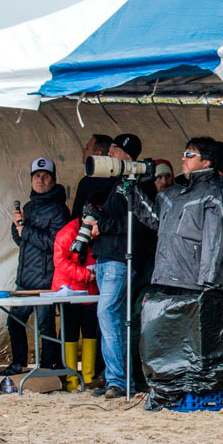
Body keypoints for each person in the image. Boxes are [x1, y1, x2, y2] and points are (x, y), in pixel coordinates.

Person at [131, 137, 223, 407]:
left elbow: (216, 240)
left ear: (206, 161)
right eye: (183, 153)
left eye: (190, 154)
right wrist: (130, 192)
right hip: (166, 276)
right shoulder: (172, 194)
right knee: (165, 342)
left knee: (195, 346)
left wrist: (209, 283)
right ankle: (169, 394)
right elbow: (154, 221)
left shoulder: (217, 193)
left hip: (195, 282)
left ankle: (196, 396)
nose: (183, 158)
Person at [91, 133, 156, 398]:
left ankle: (118, 380)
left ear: (127, 155)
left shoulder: (136, 184)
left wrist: (102, 226)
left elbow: (139, 223)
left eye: (114, 149)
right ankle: (117, 379)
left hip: (121, 258)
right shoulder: (113, 183)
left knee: (108, 314)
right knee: (113, 318)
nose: (110, 153)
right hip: (105, 257)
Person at [9, 157, 70, 371]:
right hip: (25, 279)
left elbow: (56, 244)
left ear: (53, 180)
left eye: (45, 176)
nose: (40, 180)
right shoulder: (29, 207)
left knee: (45, 326)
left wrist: (25, 231)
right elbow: (22, 242)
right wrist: (16, 227)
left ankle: (48, 367)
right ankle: (18, 364)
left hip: (46, 279)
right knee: (15, 321)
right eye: (36, 176)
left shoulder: (59, 210)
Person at [51, 215, 100, 389]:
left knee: (90, 332)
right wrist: (86, 275)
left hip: (91, 291)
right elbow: (60, 262)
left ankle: (88, 378)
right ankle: (71, 380)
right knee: (69, 334)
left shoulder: (101, 230)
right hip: (68, 291)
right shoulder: (66, 233)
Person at [73, 134, 116, 219]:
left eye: (87, 148)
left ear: (98, 154)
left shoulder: (87, 182)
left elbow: (76, 216)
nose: (83, 150)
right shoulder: (117, 180)